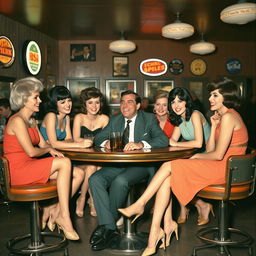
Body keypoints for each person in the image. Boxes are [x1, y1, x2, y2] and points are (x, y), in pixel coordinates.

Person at [118, 79, 248, 256]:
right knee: (168, 175)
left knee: (169, 165)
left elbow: (216, 155)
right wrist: (215, 125)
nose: (210, 98)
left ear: (227, 97)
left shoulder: (229, 117)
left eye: (215, 95)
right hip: (225, 167)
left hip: (228, 171)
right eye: (211, 94)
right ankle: (159, 229)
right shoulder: (224, 118)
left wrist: (195, 156)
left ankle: (141, 204)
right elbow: (211, 150)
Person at [3, 77, 84, 240]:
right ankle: (65, 218)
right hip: (18, 172)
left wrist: (52, 148)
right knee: (64, 162)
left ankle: (55, 209)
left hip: (30, 166)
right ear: (23, 99)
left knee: (79, 174)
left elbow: (42, 144)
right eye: (35, 97)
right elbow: (33, 152)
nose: (40, 100)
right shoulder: (17, 120)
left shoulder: (31, 120)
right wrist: (51, 149)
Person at [88, 90, 169, 251]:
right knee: (94, 179)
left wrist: (141, 144)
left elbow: (163, 139)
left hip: (141, 166)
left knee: (121, 181)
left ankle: (106, 227)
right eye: (123, 102)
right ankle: (109, 226)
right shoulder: (115, 119)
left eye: (130, 102)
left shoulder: (148, 119)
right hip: (118, 164)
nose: (125, 105)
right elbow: (97, 138)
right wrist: (106, 143)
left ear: (138, 105)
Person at [72, 87, 109, 217]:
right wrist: (87, 142)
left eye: (97, 102)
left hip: (98, 159)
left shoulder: (104, 118)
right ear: (84, 104)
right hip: (80, 160)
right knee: (94, 166)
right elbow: (76, 138)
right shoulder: (79, 118)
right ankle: (86, 199)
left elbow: (105, 140)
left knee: (96, 166)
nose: (94, 106)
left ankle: (88, 199)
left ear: (101, 103)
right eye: (90, 102)